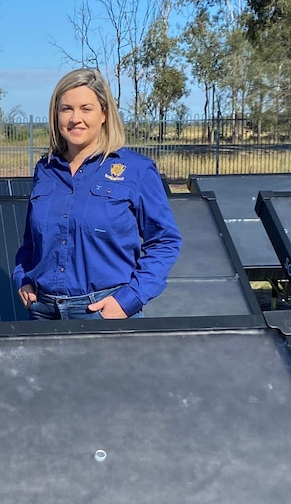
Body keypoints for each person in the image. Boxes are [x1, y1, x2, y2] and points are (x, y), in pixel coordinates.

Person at [13, 68, 181, 320]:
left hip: (104, 312)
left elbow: (165, 242)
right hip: (43, 313)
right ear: (55, 114)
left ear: (104, 113)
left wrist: (129, 300)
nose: (75, 118)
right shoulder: (45, 169)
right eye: (66, 108)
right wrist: (22, 278)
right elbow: (31, 241)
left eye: (86, 108)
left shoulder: (136, 170)